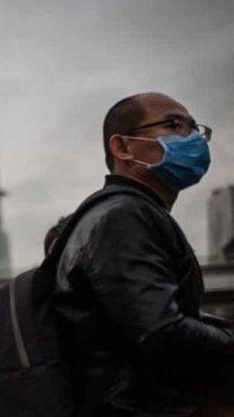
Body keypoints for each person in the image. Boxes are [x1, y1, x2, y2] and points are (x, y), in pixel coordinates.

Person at [51, 92, 234, 415]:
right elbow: (161, 331)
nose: (191, 138)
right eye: (174, 124)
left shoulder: (126, 213)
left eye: (194, 128)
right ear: (123, 147)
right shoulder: (122, 216)